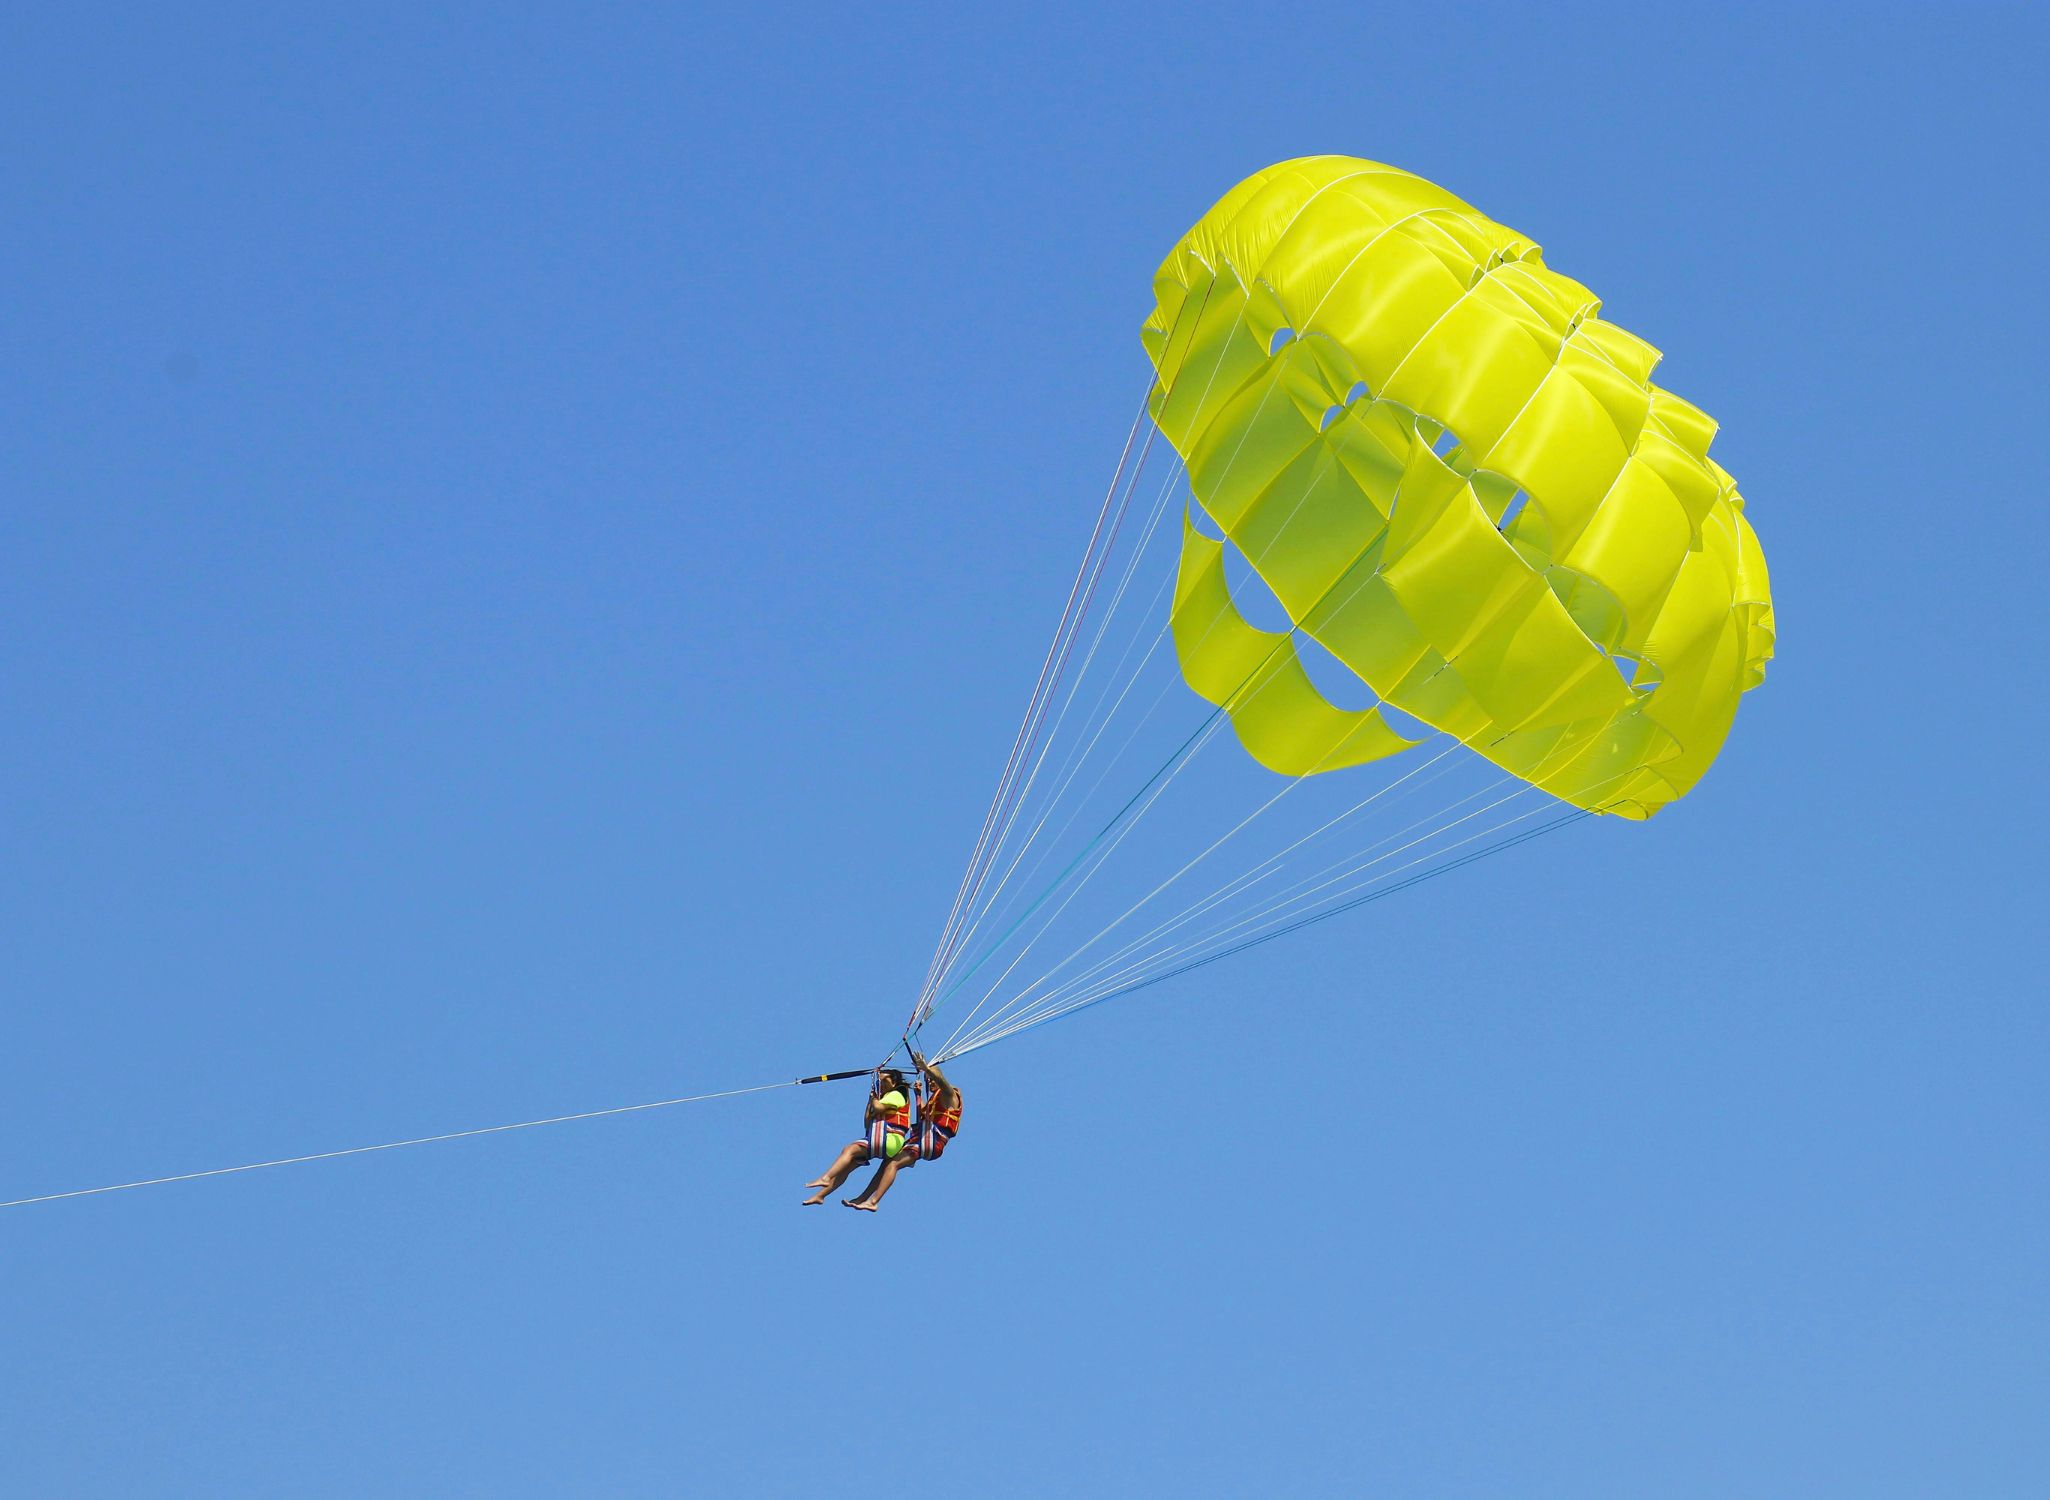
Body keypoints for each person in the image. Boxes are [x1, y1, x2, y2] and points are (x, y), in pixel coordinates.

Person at [844, 1051, 962, 1212]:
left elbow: (942, 1081)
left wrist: (927, 1068)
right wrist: (918, 1096)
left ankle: (874, 1202)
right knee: (887, 1163)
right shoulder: (934, 1099)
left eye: (931, 1080)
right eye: (928, 1081)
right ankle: (863, 1198)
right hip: (921, 1140)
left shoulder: (950, 1096)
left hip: (932, 1142)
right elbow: (922, 1116)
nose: (931, 1083)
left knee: (893, 1164)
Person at [802, 1068, 912, 1206]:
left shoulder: (898, 1093)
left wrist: (874, 1100)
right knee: (848, 1165)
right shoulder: (882, 1099)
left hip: (889, 1139)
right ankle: (821, 1196)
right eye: (880, 1081)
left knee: (849, 1150)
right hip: (882, 1140)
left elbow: (878, 1108)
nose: (882, 1084)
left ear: (894, 1082)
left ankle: (826, 1177)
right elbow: (867, 1123)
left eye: (885, 1081)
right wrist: (870, 1099)